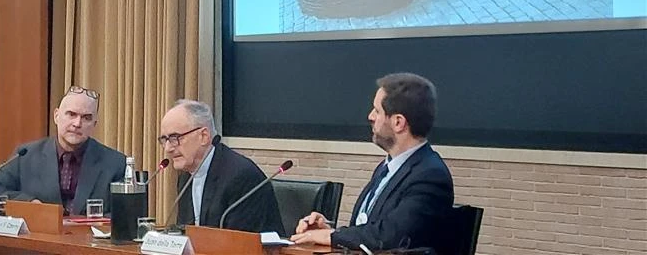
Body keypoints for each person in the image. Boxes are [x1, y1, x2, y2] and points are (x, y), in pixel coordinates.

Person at [291, 73, 454, 252]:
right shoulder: (387, 168)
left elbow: (390, 237)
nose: (370, 116)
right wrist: (332, 232)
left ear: (398, 122)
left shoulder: (429, 176)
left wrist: (333, 237)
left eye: (377, 111)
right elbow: (369, 227)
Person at [0, 86, 126, 215]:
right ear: (56, 116)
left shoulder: (116, 164)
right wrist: (30, 203)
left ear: (94, 125)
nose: (77, 124)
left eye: (86, 118)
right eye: (71, 114)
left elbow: (124, 214)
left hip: (89, 235)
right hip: (39, 234)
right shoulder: (25, 155)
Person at [160, 100, 284, 234]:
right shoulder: (186, 177)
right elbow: (186, 232)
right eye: (164, 140)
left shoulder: (240, 175)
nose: (168, 148)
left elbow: (238, 242)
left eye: (175, 138)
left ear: (204, 136)